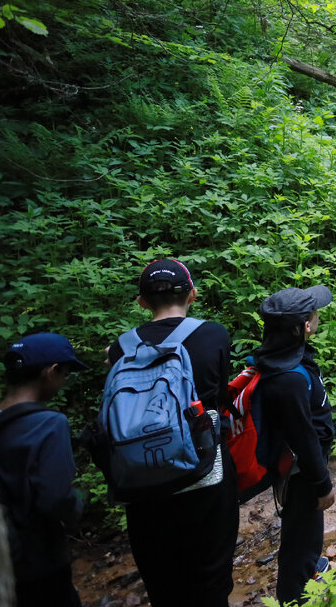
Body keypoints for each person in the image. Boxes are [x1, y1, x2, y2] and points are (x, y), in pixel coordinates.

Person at [107, 258, 238, 607]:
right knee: (210, 584)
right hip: (204, 474)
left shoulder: (120, 348)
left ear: (142, 302)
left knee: (164, 586)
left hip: (142, 482)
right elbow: (220, 397)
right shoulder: (213, 334)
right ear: (192, 294)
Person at [254, 285, 336, 606]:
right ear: (302, 327)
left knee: (300, 531)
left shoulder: (280, 359)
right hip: (301, 475)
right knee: (303, 539)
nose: (318, 317)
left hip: (296, 470)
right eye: (313, 314)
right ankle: (295, 595)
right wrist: (323, 485)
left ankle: (306, 570)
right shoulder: (287, 379)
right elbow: (304, 438)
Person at [0, 333, 87, 607]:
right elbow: (55, 498)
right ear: (52, 371)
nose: (64, 380)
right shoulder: (48, 424)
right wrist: (79, 505)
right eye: (66, 372)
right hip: (39, 561)